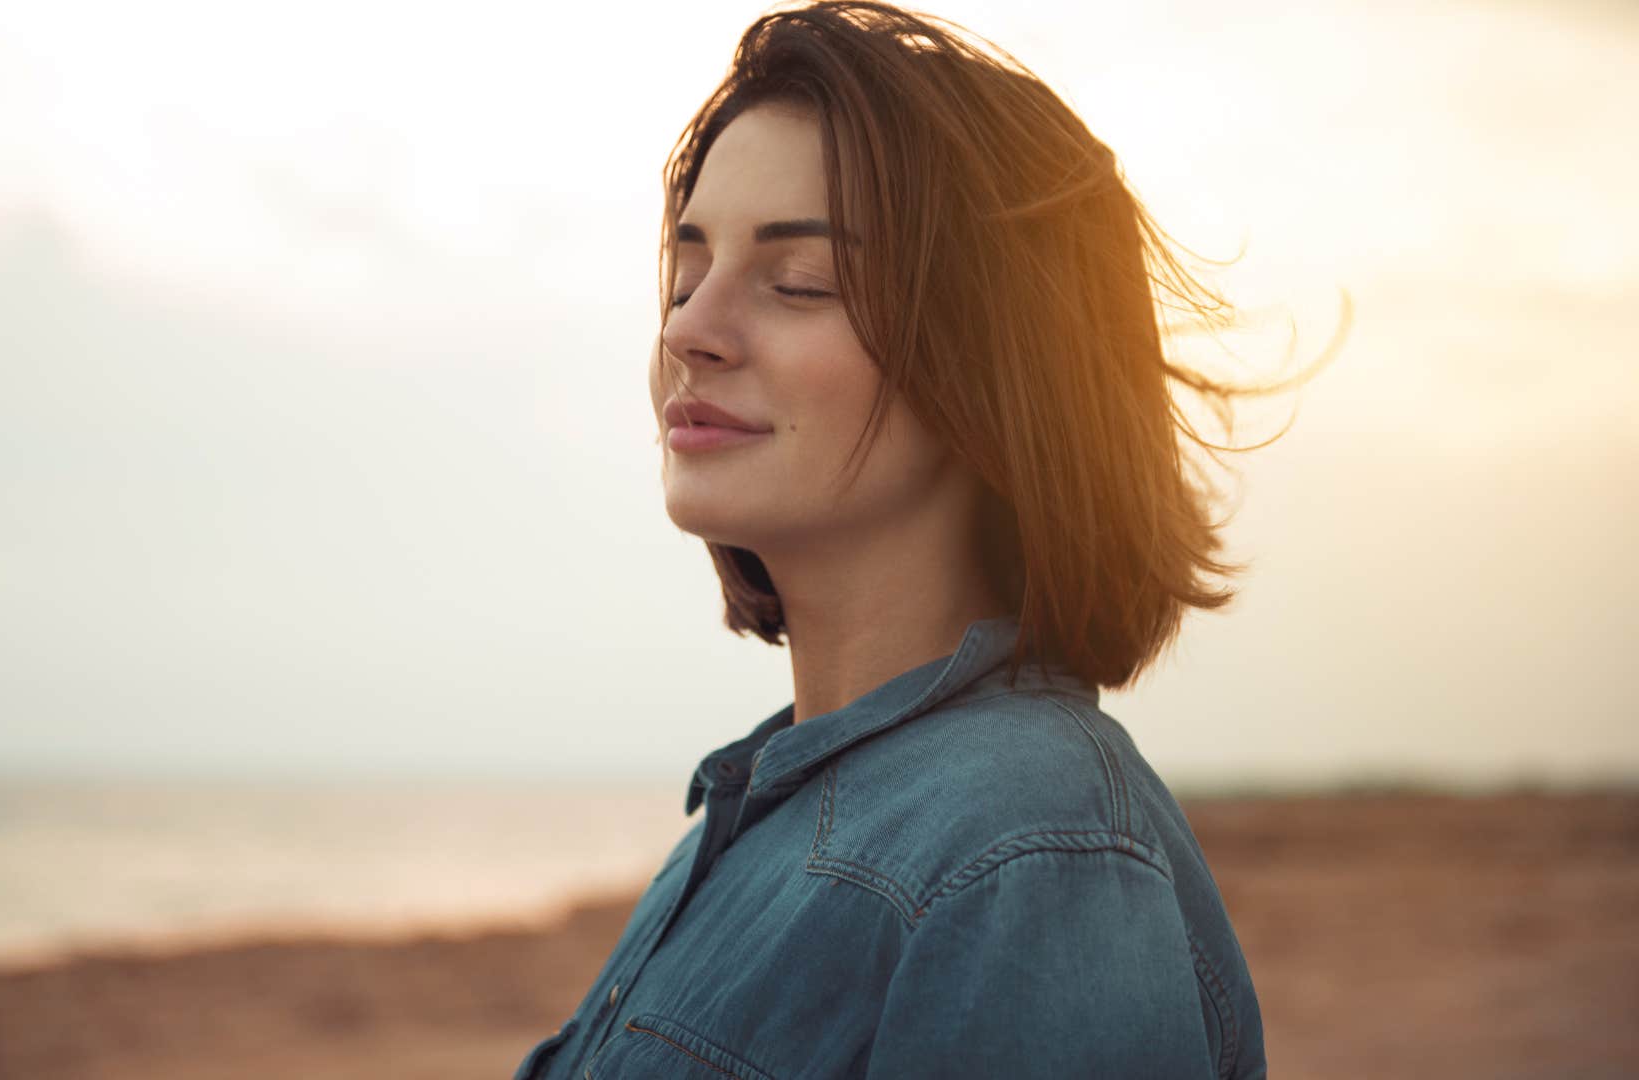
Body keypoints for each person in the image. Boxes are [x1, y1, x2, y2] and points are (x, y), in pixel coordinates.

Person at [516, 2, 1309, 1076]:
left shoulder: (1028, 852)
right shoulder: (758, 815)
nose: (687, 329)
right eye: (688, 269)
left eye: (798, 283)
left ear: (992, 366)